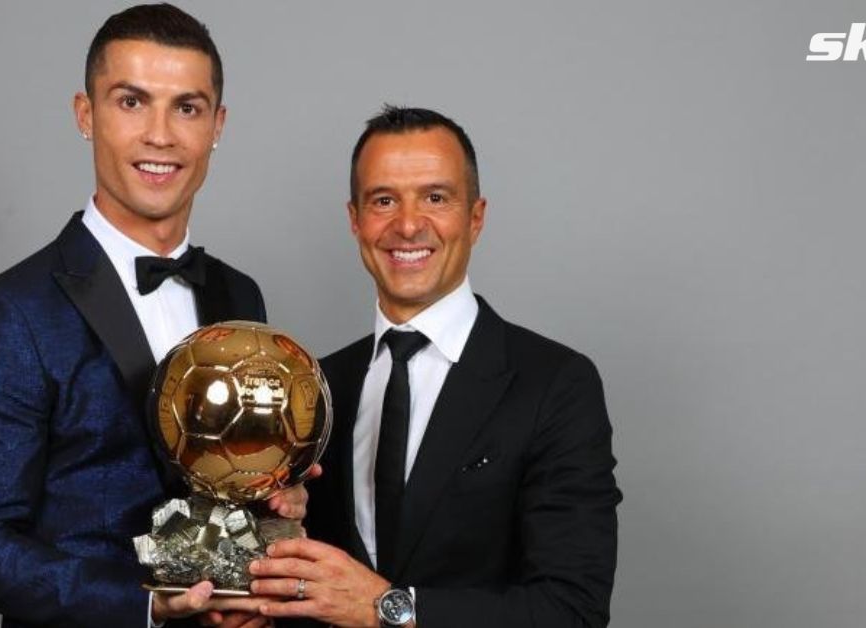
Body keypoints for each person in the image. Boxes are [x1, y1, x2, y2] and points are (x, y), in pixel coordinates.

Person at [0, 5, 301, 627]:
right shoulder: (6, 314)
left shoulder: (241, 297)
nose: (161, 135)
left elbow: (222, 499)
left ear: (217, 125)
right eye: (132, 102)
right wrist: (147, 605)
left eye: (187, 107)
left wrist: (272, 509)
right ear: (86, 114)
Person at [238, 107, 622, 627]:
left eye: (435, 197)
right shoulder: (315, 387)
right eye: (383, 200)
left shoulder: (555, 384)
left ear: (476, 216)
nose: (409, 224)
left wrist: (386, 610)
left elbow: (571, 611)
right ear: (355, 220)